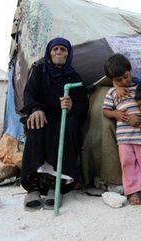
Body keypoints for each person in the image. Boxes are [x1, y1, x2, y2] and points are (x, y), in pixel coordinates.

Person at [20, 37, 89, 211]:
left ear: (68, 54)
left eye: (63, 50)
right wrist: (36, 109)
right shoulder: (39, 71)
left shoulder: (74, 76)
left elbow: (83, 105)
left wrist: (72, 106)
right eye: (55, 49)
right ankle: (33, 186)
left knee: (68, 128)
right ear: (49, 53)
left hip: (63, 118)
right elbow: (29, 93)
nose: (59, 52)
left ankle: (54, 185)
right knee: (36, 126)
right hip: (42, 115)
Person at [102, 54, 141, 206]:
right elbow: (106, 110)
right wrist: (115, 114)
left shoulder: (140, 87)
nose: (124, 81)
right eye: (118, 80)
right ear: (113, 80)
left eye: (126, 77)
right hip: (123, 137)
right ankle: (133, 191)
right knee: (128, 164)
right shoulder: (112, 93)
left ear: (130, 71)